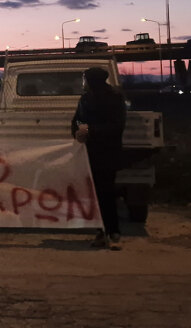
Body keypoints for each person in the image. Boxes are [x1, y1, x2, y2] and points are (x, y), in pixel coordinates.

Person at [71, 67, 126, 250]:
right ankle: (102, 232)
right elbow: (78, 120)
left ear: (92, 80)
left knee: (106, 194)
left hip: (107, 153)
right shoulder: (85, 99)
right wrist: (78, 131)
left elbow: (117, 126)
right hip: (89, 154)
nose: (83, 82)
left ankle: (113, 232)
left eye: (85, 79)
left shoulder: (115, 98)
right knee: (95, 195)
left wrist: (91, 130)